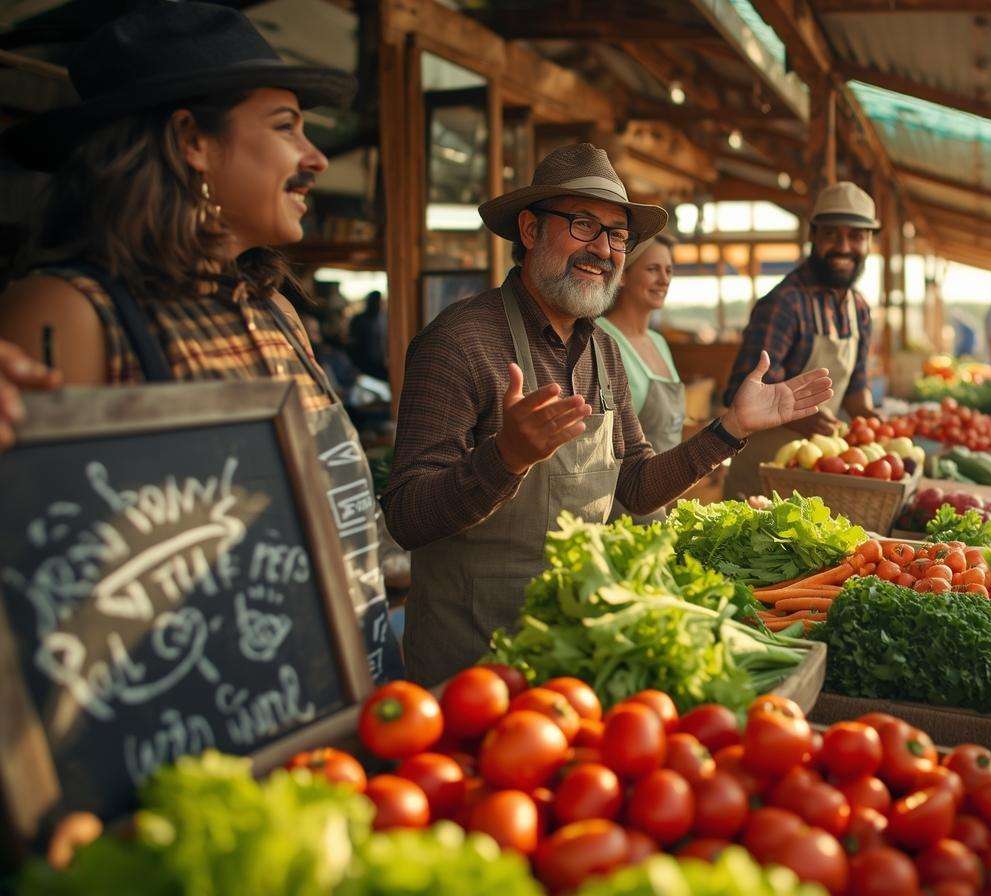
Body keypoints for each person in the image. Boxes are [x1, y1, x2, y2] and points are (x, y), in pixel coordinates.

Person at [0, 1, 402, 682]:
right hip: (199, 729)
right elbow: (35, 581)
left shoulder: (270, 307)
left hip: (347, 698)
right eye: (285, 128)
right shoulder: (70, 313)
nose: (314, 158)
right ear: (191, 140)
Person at [382, 143, 832, 684]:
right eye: (582, 224)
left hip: (572, 652)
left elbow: (636, 487)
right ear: (529, 230)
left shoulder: (603, 351)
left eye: (617, 235)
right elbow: (406, 517)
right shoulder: (459, 342)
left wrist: (730, 428)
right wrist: (505, 458)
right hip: (473, 668)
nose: (604, 249)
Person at [723, 181, 879, 498]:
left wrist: (874, 424)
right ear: (813, 235)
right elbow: (741, 390)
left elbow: (855, 389)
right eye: (832, 234)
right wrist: (803, 418)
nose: (844, 246)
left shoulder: (859, 309)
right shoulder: (785, 303)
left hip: (817, 474)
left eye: (856, 236)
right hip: (762, 475)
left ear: (869, 242)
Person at [596, 234, 684, 521]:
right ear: (622, 276)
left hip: (667, 499)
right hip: (622, 509)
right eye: (652, 269)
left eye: (669, 270)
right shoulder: (601, 338)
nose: (664, 279)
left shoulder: (659, 342)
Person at [348, 289, 388, 380]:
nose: (380, 305)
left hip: (380, 365)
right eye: (379, 302)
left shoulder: (383, 319)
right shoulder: (359, 320)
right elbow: (353, 344)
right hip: (364, 364)